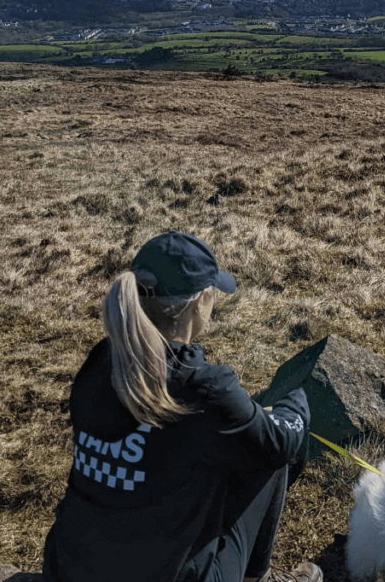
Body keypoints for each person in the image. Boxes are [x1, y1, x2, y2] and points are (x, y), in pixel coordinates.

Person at [42, 231, 322, 582]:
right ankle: (258, 578)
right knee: (268, 452)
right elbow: (280, 444)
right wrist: (293, 406)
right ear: (199, 301)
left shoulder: (100, 361)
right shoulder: (201, 386)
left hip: (70, 566)